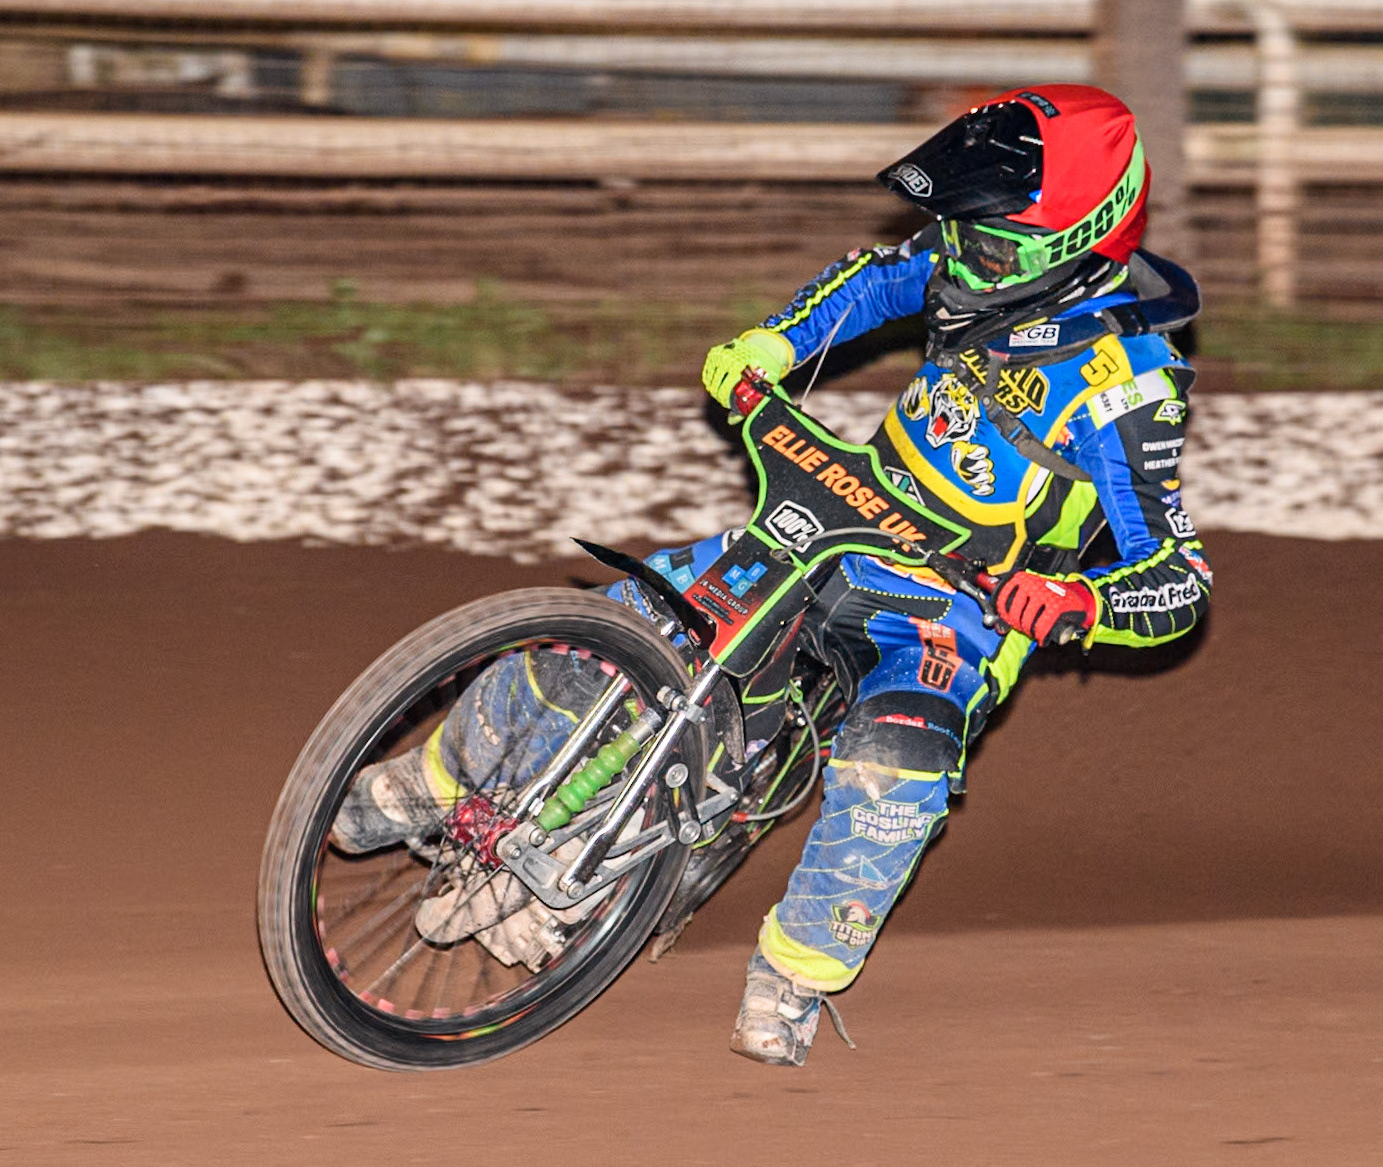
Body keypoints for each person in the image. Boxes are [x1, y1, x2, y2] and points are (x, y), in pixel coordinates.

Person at [332, 83, 1211, 1067]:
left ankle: (794, 976)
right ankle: (432, 780)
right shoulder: (973, 249)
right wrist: (774, 343)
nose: (955, 259)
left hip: (955, 610)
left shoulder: (1128, 389)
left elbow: (1177, 582)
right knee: (612, 627)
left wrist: (1075, 600)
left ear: (1074, 242)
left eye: (987, 249)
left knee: (895, 765)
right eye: (952, 233)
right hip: (842, 508)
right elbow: (878, 276)